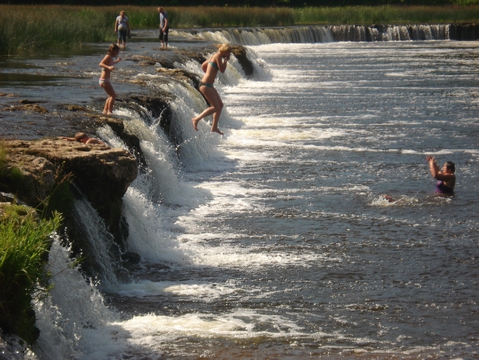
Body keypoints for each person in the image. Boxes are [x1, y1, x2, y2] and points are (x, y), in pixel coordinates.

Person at [192, 43, 233, 135]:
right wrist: (225, 61)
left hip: (208, 84)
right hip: (205, 85)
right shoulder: (218, 56)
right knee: (215, 107)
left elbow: (203, 65)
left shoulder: (213, 55)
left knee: (220, 105)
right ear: (225, 51)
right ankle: (196, 119)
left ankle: (214, 127)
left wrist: (209, 73)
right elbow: (222, 70)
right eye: (229, 53)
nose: (230, 55)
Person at [99, 44, 122, 115]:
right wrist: (108, 67)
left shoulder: (111, 58)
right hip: (104, 80)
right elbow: (101, 63)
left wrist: (116, 61)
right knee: (113, 96)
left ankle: (105, 111)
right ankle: (110, 112)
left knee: (110, 96)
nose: (118, 53)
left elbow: (110, 63)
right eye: (117, 52)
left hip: (105, 80)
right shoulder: (108, 56)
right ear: (113, 51)